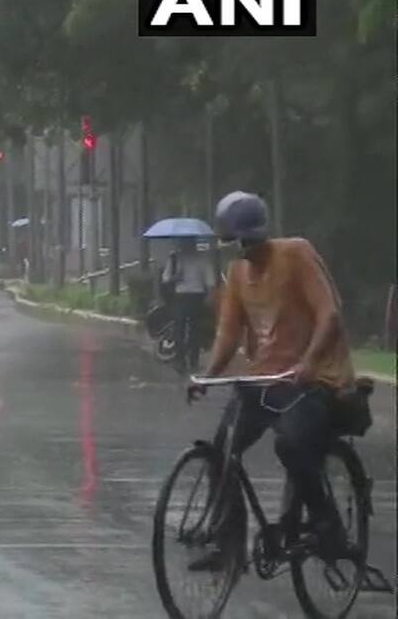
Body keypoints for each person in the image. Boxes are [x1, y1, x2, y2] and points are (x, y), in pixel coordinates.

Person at [189, 191, 356, 568]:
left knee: (292, 445)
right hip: (266, 379)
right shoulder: (237, 276)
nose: (246, 251)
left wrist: (310, 361)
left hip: (314, 380)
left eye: (249, 241)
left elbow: (329, 313)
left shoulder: (295, 254)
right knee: (223, 449)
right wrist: (206, 376)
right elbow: (228, 337)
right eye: (238, 243)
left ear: (260, 234)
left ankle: (328, 523)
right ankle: (226, 543)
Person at [162, 236, 215, 372]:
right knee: (179, 328)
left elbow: (210, 280)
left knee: (194, 329)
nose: (186, 245)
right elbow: (166, 278)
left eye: (189, 242)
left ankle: (193, 360)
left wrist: (209, 295)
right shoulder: (175, 258)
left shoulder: (202, 258)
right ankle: (180, 360)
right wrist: (176, 277)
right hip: (180, 296)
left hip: (196, 296)